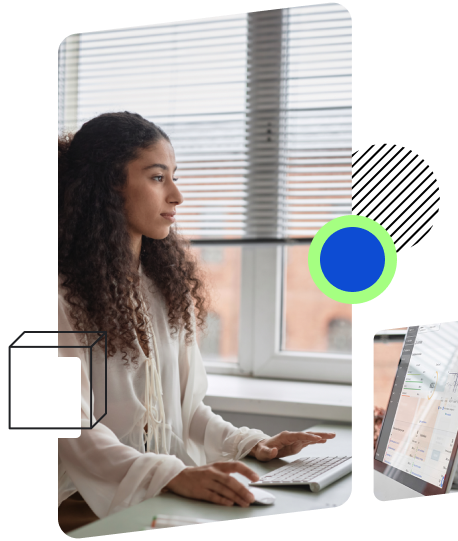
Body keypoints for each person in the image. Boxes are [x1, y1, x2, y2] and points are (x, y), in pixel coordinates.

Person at [58, 112, 335, 533]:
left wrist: (253, 443)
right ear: (108, 185)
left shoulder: (165, 289)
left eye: (174, 176)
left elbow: (184, 413)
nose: (177, 195)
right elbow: (58, 428)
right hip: (78, 505)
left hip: (155, 493)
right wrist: (170, 475)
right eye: (157, 178)